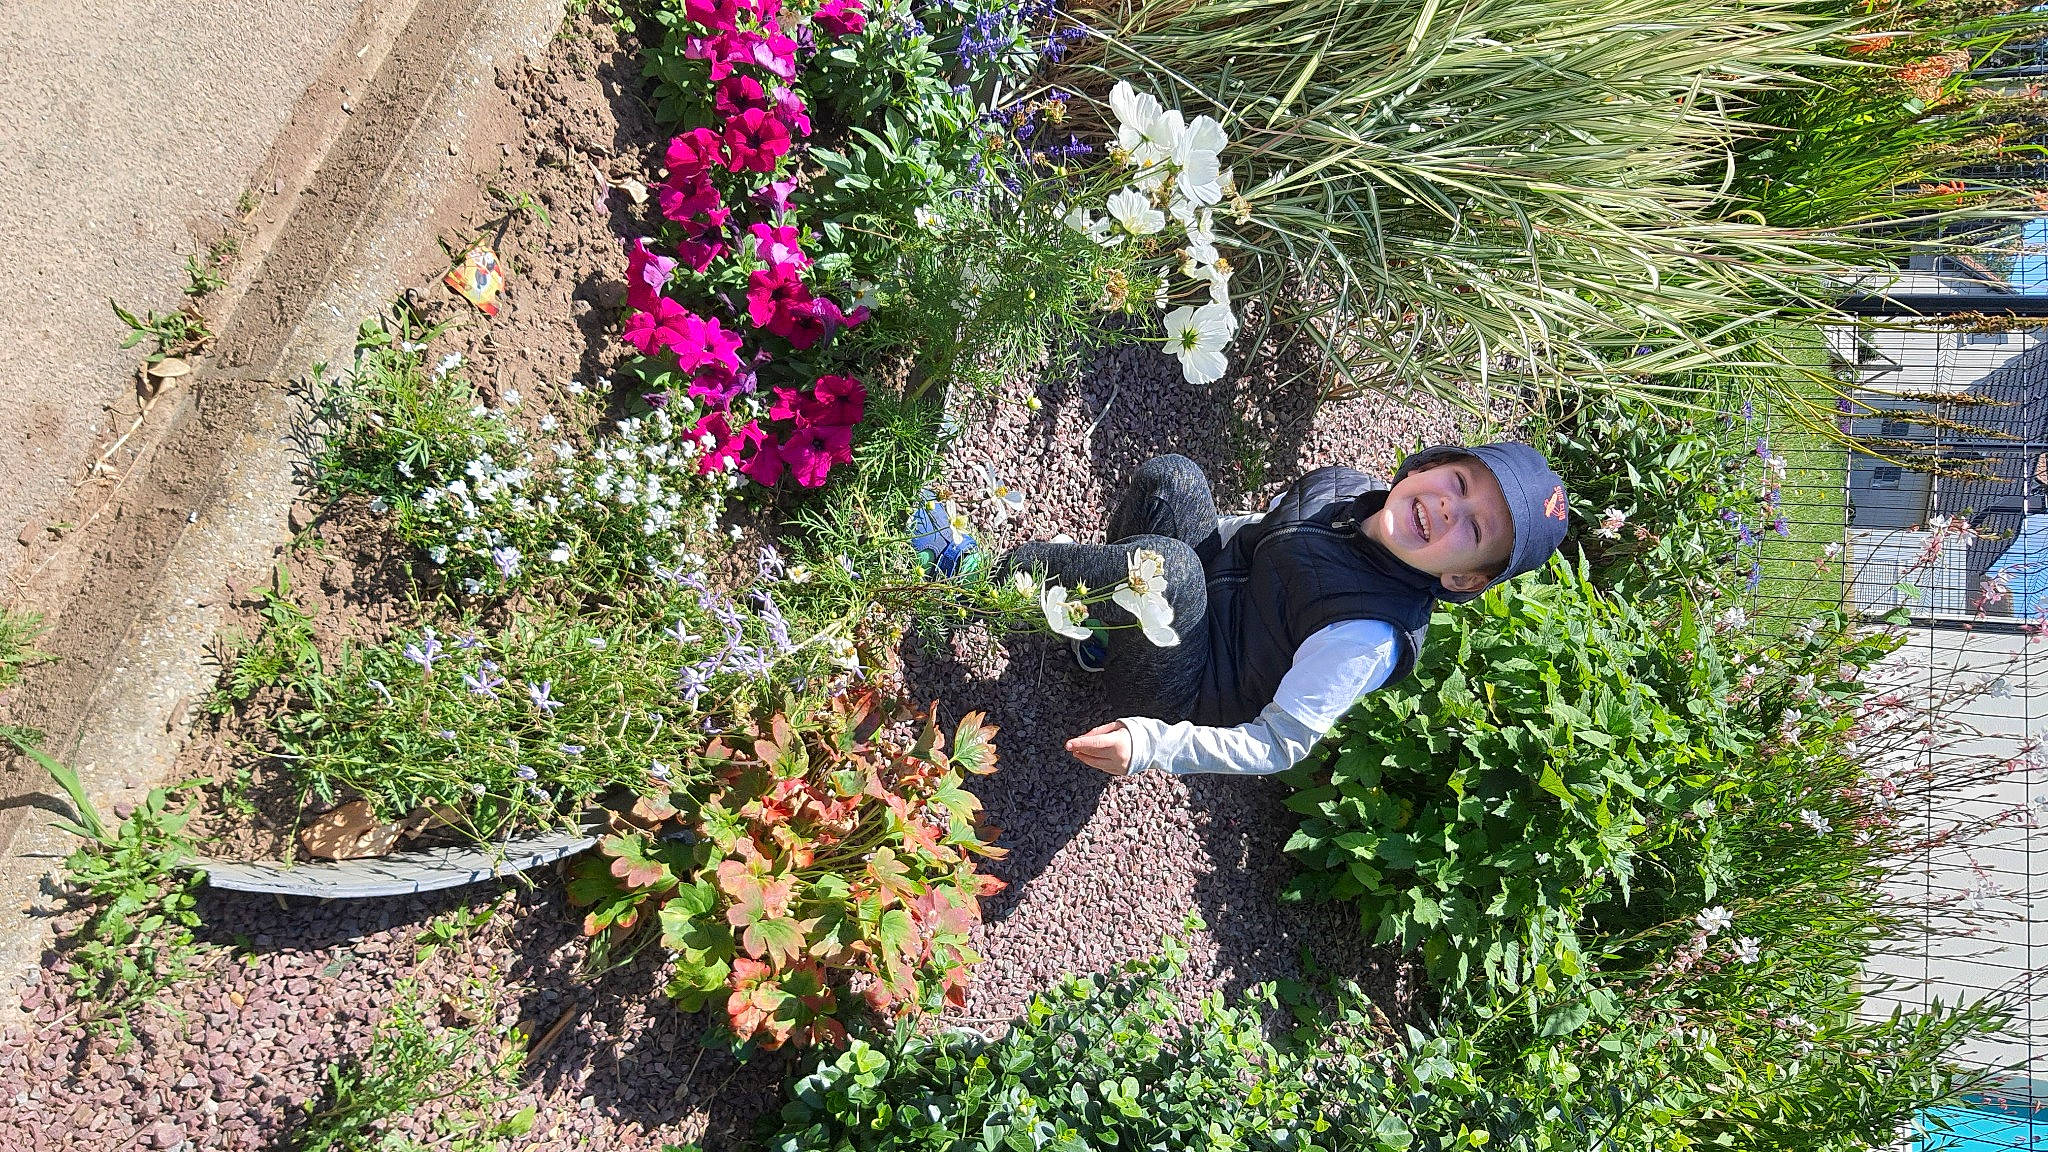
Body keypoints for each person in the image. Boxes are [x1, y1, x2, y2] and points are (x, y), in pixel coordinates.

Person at [999, 446, 1571, 777]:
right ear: (1427, 466)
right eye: (1461, 482)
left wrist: (1151, 744)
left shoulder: (1367, 634)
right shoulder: (1344, 492)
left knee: (1167, 573)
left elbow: (1279, 745)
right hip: (1204, 597)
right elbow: (1254, 534)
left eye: (1474, 528)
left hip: (1189, 689)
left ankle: (974, 580)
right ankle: (1105, 632)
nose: (1450, 508)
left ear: (1463, 578)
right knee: (1175, 482)